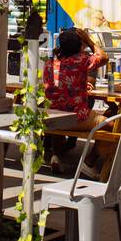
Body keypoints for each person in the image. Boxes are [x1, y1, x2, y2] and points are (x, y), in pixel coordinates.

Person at [43, 27, 108, 176]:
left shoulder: (49, 63)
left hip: (52, 116)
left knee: (59, 118)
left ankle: (56, 155)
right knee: (113, 125)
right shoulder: (81, 60)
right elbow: (104, 57)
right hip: (75, 116)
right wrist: (90, 41)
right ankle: (89, 162)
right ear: (80, 45)